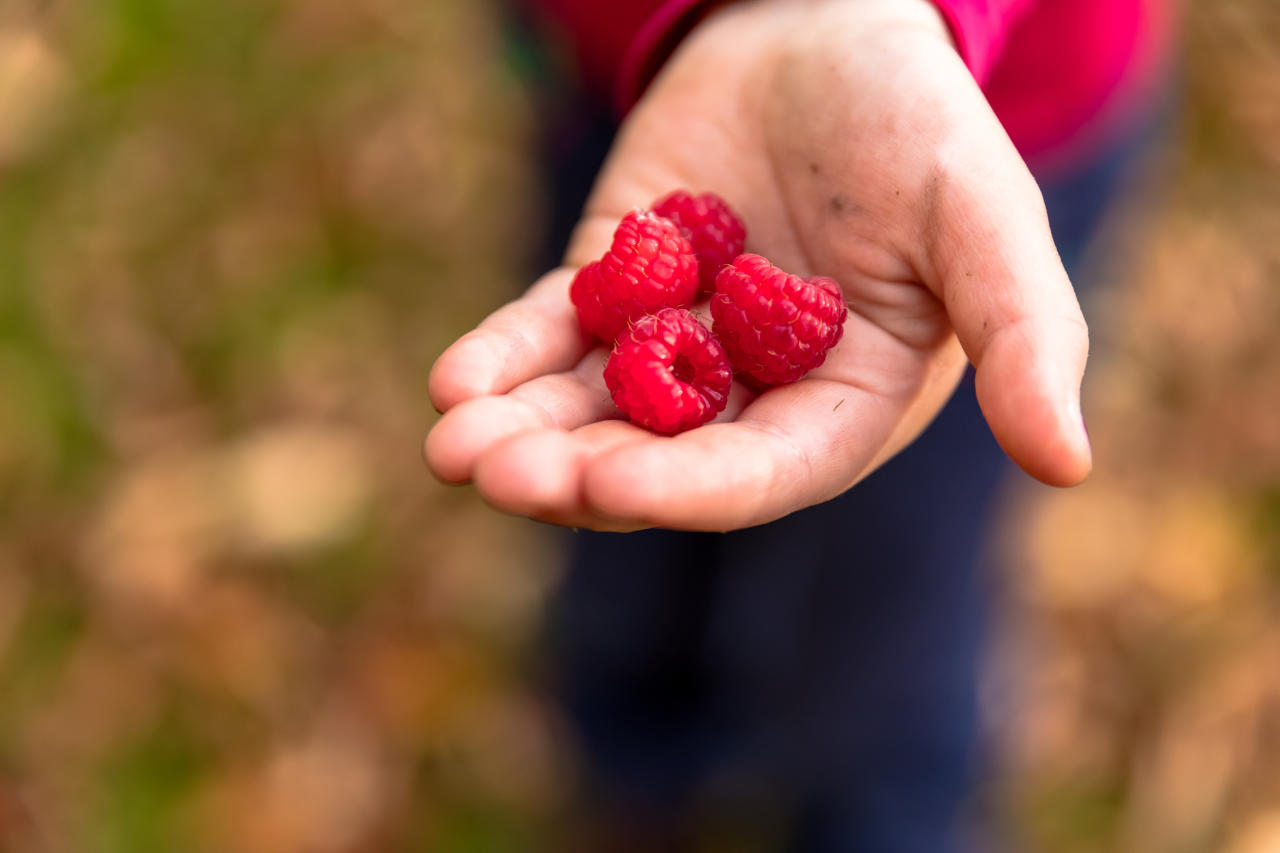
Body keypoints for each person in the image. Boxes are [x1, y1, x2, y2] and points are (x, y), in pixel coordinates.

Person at [427, 0, 1176, 849]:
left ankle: (886, 820)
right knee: (626, 569)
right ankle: (637, 777)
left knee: (887, 600)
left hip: (978, 108)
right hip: (621, 69)